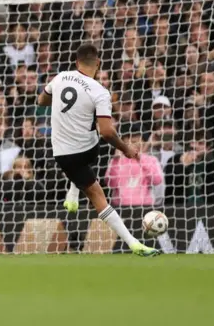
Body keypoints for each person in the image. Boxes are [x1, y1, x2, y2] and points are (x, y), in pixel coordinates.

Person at [37, 43, 160, 257]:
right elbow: (107, 132)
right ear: (98, 63)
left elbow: (41, 100)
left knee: (85, 175)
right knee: (97, 191)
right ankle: (134, 244)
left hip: (60, 154)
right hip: (87, 150)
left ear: (76, 62)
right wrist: (126, 148)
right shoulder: (100, 92)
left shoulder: (60, 78)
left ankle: (74, 191)